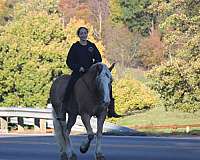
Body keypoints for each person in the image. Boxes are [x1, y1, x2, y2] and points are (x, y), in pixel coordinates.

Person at [57, 27, 121, 120]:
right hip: (78, 73)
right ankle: (63, 108)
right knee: (70, 85)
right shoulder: (75, 47)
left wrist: (93, 67)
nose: (83, 35)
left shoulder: (92, 46)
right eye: (81, 33)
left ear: (87, 34)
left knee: (106, 84)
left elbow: (98, 58)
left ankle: (111, 108)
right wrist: (78, 68)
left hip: (91, 73)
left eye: (85, 33)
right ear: (78, 35)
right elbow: (69, 61)